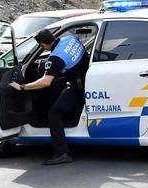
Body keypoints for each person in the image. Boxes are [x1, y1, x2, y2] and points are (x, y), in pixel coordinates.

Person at [9, 29, 88, 165]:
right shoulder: (69, 39)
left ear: (43, 45)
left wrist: (22, 87)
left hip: (77, 88)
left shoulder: (56, 57)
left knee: (54, 113)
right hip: (82, 77)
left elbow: (45, 82)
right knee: (56, 86)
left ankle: (62, 153)